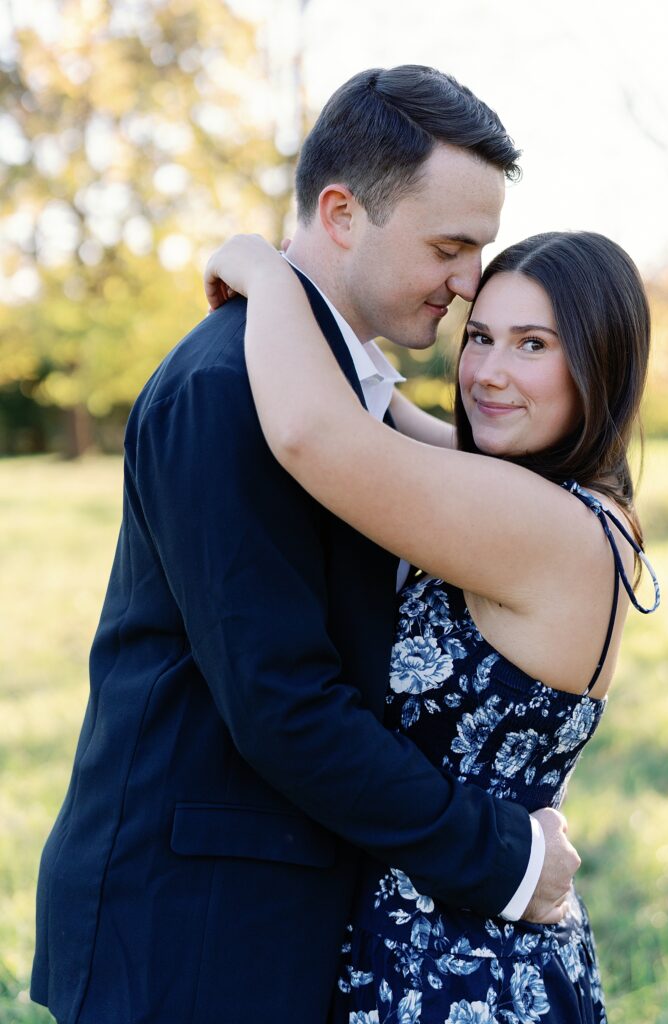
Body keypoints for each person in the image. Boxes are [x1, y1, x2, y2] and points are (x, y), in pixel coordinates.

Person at [31, 66, 581, 1024]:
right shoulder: (226, 387)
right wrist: (502, 856)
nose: (466, 284)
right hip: (191, 931)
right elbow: (283, 702)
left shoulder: (342, 394)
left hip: (282, 913)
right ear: (340, 212)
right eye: (449, 247)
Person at [202, 227, 660, 1022]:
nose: (486, 372)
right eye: (479, 336)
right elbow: (392, 421)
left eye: (532, 345)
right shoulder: (555, 502)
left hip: (464, 972)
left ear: (601, 363)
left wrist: (265, 278)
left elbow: (321, 438)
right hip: (451, 934)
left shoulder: (543, 528)